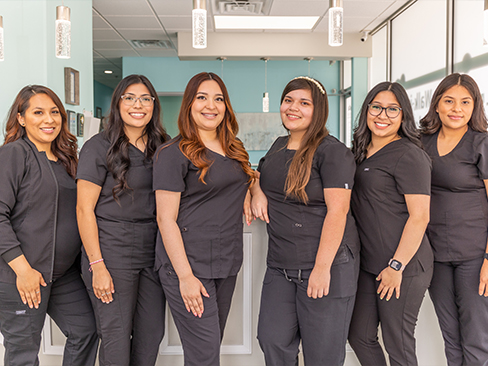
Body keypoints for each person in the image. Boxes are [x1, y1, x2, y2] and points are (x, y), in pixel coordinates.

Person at [251, 76, 360, 366]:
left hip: (326, 267)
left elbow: (338, 211)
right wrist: (256, 191)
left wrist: (322, 268)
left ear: (319, 109)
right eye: (288, 100)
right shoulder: (278, 145)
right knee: (271, 339)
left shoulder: (333, 152)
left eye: (304, 103)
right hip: (280, 267)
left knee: (322, 355)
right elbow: (256, 174)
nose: (293, 108)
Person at [153, 72, 254, 366]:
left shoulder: (234, 149)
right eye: (202, 97)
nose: (211, 105)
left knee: (207, 350)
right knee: (204, 356)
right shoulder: (172, 153)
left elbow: (238, 179)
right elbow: (165, 219)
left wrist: (252, 188)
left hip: (226, 261)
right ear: (189, 104)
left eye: (218, 98)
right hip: (188, 266)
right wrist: (185, 277)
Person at [0, 85, 98, 366]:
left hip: (62, 275)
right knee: (23, 353)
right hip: (22, 275)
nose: (49, 119)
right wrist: (23, 270)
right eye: (38, 112)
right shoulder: (14, 154)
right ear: (21, 118)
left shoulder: (66, 160)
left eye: (54, 112)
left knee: (86, 331)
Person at [76, 74, 168, 366]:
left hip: (154, 253)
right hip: (111, 252)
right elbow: (83, 210)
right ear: (118, 104)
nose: (137, 105)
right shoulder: (97, 146)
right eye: (129, 98)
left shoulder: (164, 146)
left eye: (145, 98)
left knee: (150, 337)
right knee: (116, 341)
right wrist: (97, 266)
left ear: (154, 104)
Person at [348, 81, 433, 366]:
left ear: (403, 115)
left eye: (392, 109)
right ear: (367, 110)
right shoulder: (359, 151)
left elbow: (420, 216)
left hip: (404, 266)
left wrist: (397, 265)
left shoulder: (409, 155)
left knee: (398, 342)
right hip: (369, 264)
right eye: (377, 107)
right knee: (359, 335)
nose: (382, 115)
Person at [420, 73, 488, 366]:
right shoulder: (421, 142)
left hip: (474, 255)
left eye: (465, 102)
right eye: (449, 101)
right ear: (436, 105)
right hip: (435, 254)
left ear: (475, 107)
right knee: (451, 337)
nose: (456, 108)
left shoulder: (481, 143)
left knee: (477, 338)